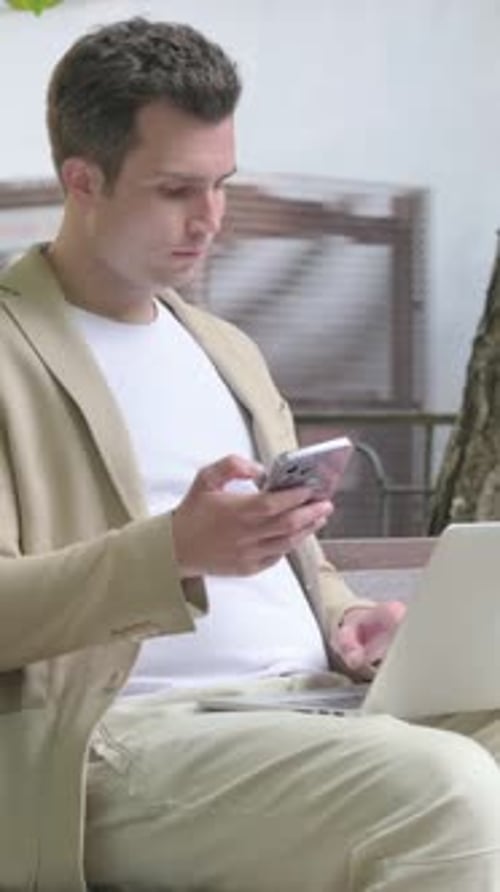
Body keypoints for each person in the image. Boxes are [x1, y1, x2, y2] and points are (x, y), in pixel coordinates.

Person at [1, 16, 500, 892]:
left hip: (312, 701)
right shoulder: (10, 347)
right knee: (441, 791)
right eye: (175, 190)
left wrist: (348, 620)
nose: (212, 219)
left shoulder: (225, 348)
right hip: (121, 738)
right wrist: (173, 552)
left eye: (222, 183)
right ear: (83, 181)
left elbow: (292, 561)